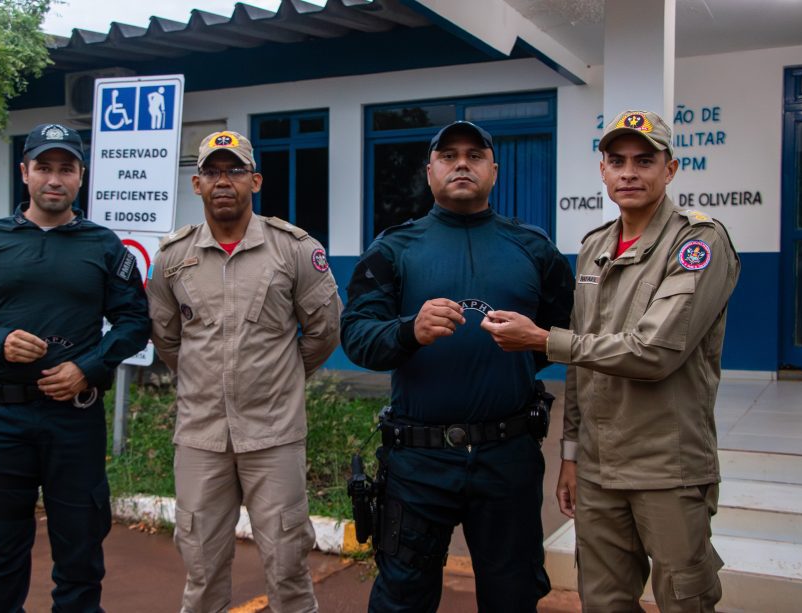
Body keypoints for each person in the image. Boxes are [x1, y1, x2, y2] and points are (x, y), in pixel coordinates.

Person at [479, 110, 740, 612]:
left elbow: (655, 351)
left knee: (685, 600)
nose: (629, 172)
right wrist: (572, 455)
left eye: (645, 160)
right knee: (603, 602)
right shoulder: (595, 247)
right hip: (599, 468)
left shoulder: (698, 243)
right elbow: (583, 367)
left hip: (667, 467)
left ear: (671, 169)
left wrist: (542, 340)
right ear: (602, 171)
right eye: (616, 161)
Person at [340, 120, 574, 612]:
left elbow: (567, 334)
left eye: (474, 154)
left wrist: (532, 342)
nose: (462, 163)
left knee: (513, 596)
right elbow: (356, 337)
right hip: (418, 461)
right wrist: (409, 331)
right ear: (429, 172)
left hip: (507, 457)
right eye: (448, 155)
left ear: (495, 170)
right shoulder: (393, 248)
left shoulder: (535, 249)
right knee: (402, 598)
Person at [0, 123, 151, 612]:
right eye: (44, 167)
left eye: (66, 168)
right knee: (2, 553)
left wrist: (89, 368)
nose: (55, 179)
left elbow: (135, 321)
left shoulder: (105, 246)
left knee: (80, 552)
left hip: (74, 419)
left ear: (81, 177)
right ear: (24, 172)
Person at [146, 130, 342, 613]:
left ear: (254, 180)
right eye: (212, 171)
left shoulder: (293, 249)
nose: (223, 181)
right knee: (202, 572)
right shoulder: (172, 258)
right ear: (196, 184)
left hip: (273, 435)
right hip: (200, 437)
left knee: (289, 568)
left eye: (234, 170)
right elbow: (168, 339)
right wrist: (203, 379)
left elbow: (324, 330)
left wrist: (283, 377)